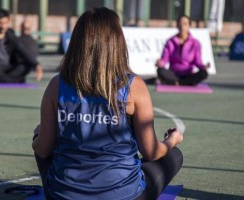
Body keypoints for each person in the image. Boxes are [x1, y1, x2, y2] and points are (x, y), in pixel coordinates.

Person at [32, 7, 183, 200]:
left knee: (40, 138)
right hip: (124, 195)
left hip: (63, 195)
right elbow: (151, 152)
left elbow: (43, 149)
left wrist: (39, 135)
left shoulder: (56, 85)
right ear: (116, 42)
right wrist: (172, 140)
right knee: (174, 155)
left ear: (78, 43)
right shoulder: (134, 86)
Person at [0, 8, 42, 83]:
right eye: (0, 23)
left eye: (5, 23)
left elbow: (22, 50)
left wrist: (36, 64)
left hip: (8, 67)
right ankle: (12, 80)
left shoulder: (11, 35)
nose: (3, 26)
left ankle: (2, 80)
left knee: (27, 65)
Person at [155, 15, 210, 86]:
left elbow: (197, 61)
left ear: (189, 26)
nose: (182, 26)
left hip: (188, 74)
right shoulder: (170, 42)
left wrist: (203, 66)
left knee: (204, 73)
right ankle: (183, 82)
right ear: (177, 25)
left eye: (185, 24)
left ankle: (179, 82)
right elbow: (164, 59)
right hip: (173, 74)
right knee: (160, 71)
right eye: (180, 24)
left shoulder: (195, 43)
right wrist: (160, 63)